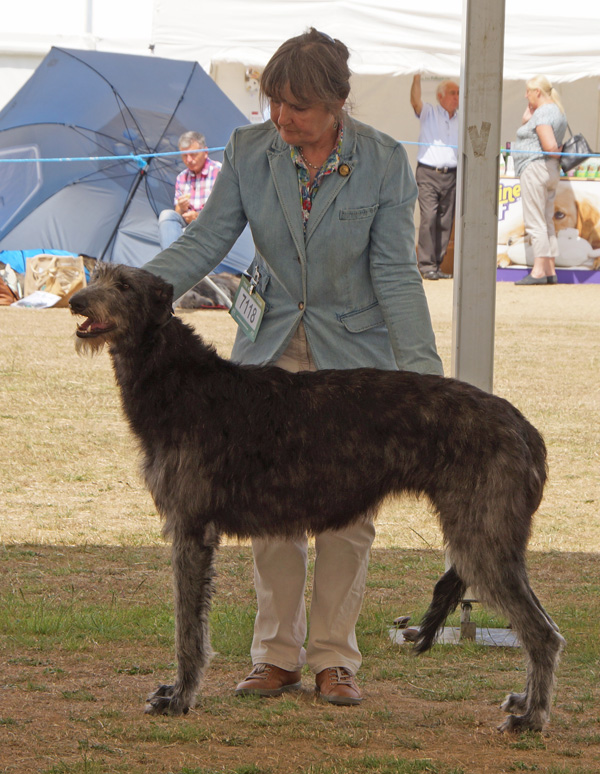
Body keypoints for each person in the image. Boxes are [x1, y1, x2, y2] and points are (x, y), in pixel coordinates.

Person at [143, 28, 443, 706]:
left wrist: (425, 377)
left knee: (347, 509)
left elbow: (396, 275)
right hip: (269, 343)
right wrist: (134, 284)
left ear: (337, 102)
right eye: (274, 102)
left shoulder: (386, 161)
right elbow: (207, 238)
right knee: (266, 503)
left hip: (355, 355)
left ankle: (336, 659)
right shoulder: (250, 151)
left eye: (298, 106)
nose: (282, 118)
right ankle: (275, 655)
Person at [512, 76, 567, 286]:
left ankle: (538, 271)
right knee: (546, 220)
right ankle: (550, 269)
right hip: (550, 171)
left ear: (537, 92)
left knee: (535, 221)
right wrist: (527, 120)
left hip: (535, 168)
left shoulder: (543, 113)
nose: (526, 95)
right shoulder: (557, 110)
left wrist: (529, 121)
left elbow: (550, 147)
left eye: (528, 91)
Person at [410, 74, 459, 280]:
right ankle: (426, 264)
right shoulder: (429, 112)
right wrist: (416, 79)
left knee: (445, 220)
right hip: (429, 173)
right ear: (440, 97)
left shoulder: (462, 117)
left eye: (458, 93)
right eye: (452, 93)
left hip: (452, 174)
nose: (457, 97)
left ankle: (437, 265)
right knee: (429, 217)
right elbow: (415, 102)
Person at [158, 131, 221, 250]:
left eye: (193, 154)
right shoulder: (182, 177)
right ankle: (171, 260)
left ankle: (173, 261)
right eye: (184, 156)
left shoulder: (219, 171)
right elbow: (178, 213)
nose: (189, 160)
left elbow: (224, 210)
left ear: (205, 152)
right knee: (166, 215)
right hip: (187, 224)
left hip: (211, 225)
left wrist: (198, 217)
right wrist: (181, 207)